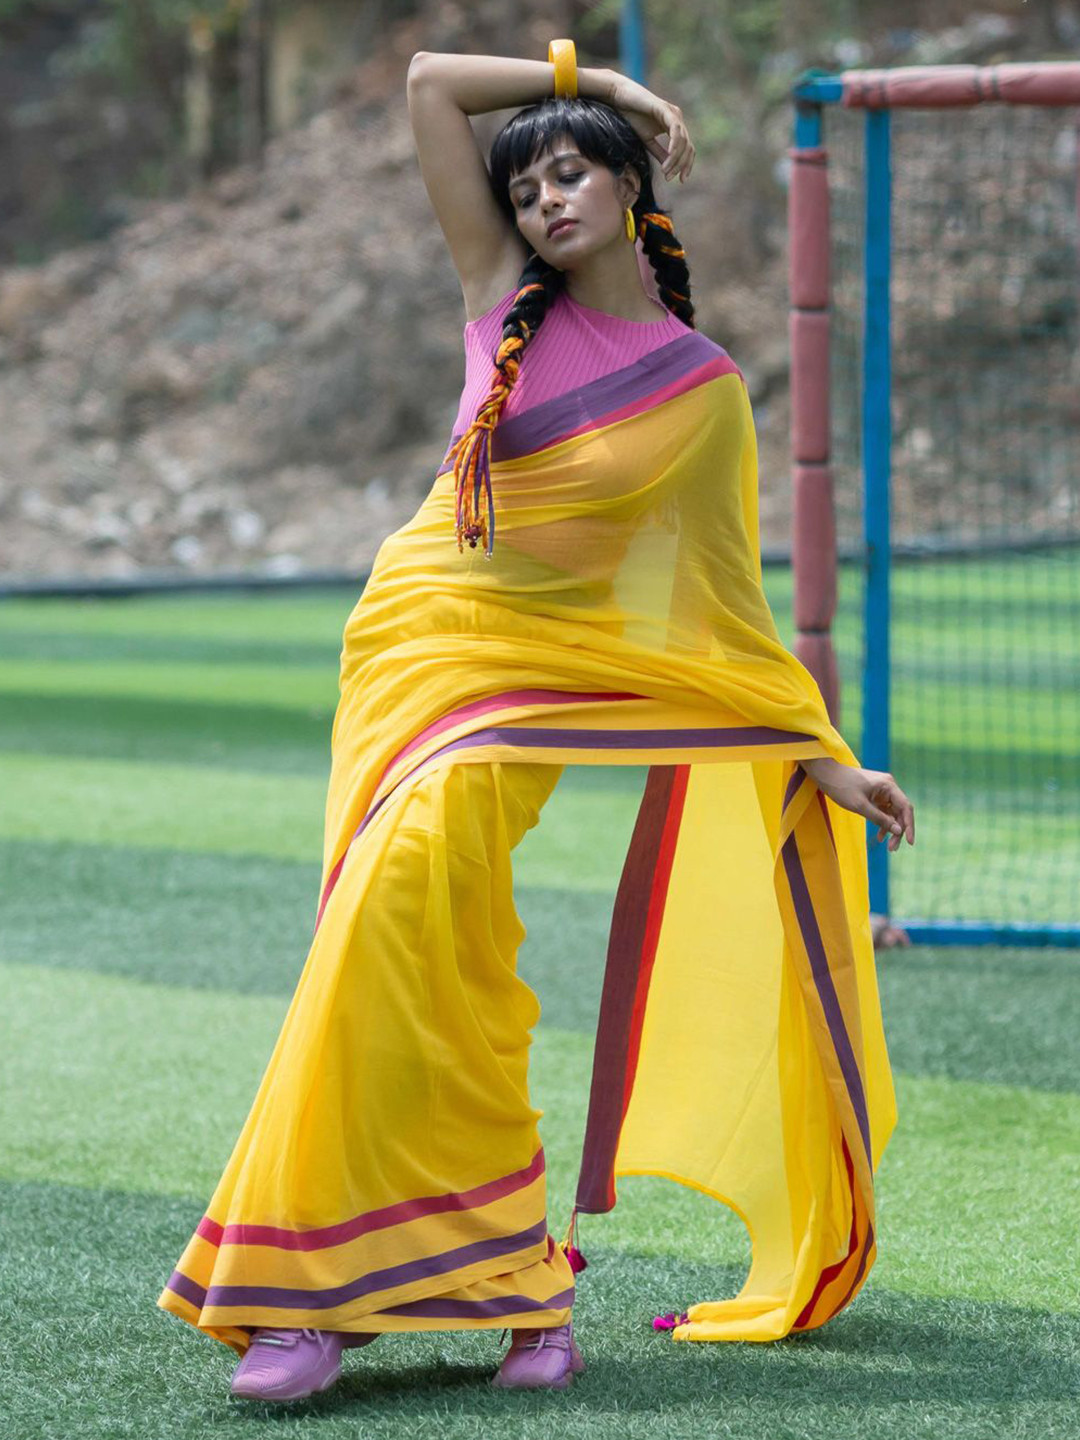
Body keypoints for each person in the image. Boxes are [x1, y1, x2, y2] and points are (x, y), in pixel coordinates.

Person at [157, 40, 915, 1403]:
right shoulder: (498, 296)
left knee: (418, 938)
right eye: (527, 188)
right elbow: (429, 84)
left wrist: (823, 758)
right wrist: (600, 85)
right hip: (413, 655)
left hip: (525, 695)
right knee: (404, 949)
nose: (545, 200)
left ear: (630, 191)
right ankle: (465, 1291)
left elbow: (722, 602)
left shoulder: (701, 389)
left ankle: (361, 1294)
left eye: (571, 174)